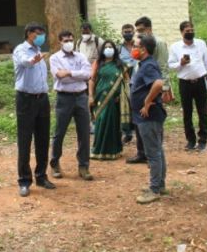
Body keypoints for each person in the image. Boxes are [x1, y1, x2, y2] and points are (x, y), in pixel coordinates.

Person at [13, 22, 55, 197]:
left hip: (42, 99)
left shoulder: (38, 51)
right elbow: (25, 63)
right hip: (26, 99)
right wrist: (33, 60)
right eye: (39, 34)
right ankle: (24, 180)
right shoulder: (21, 50)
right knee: (25, 140)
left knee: (43, 138)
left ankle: (41, 175)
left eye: (43, 34)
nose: (41, 37)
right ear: (29, 34)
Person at [126, 16, 171, 164]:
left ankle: (153, 152)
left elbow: (163, 68)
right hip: (142, 83)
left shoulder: (158, 43)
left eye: (141, 30)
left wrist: (165, 89)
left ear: (149, 29)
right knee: (140, 123)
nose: (138, 33)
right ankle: (142, 152)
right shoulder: (140, 46)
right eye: (137, 30)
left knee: (151, 119)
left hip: (152, 87)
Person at [49, 30, 93, 180]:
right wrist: (76, 74)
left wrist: (69, 73)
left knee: (84, 133)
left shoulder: (81, 56)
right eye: (65, 40)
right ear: (60, 42)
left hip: (81, 97)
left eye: (70, 39)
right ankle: (54, 163)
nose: (69, 42)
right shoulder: (54, 58)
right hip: (64, 98)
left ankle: (84, 166)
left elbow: (88, 74)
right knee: (59, 132)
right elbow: (60, 76)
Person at [168, 21, 207, 152]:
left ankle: (203, 140)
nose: (190, 32)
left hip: (200, 81)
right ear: (181, 32)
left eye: (192, 30)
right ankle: (190, 140)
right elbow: (171, 65)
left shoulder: (201, 44)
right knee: (187, 113)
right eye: (187, 31)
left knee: (203, 112)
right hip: (184, 83)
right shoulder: (175, 47)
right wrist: (181, 63)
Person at [131, 34, 167, 204]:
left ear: (143, 49)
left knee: (153, 153)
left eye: (135, 45)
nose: (133, 49)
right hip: (150, 115)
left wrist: (147, 101)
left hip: (149, 115)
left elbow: (158, 84)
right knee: (157, 151)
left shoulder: (148, 66)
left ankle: (154, 189)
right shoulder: (146, 64)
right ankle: (159, 185)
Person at [89, 40, 131, 160]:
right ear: (102, 50)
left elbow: (127, 82)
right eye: (106, 47)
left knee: (112, 124)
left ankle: (114, 151)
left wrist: (123, 96)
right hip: (100, 98)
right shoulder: (98, 63)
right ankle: (98, 150)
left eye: (111, 47)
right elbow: (92, 80)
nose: (108, 49)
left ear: (115, 49)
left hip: (115, 100)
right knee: (100, 122)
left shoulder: (121, 64)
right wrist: (91, 96)